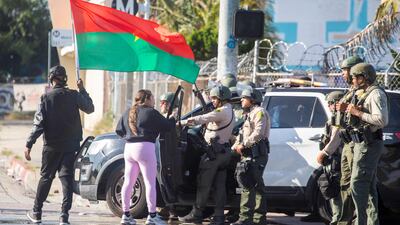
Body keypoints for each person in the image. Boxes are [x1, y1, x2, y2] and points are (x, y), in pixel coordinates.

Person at [25, 65, 94, 225]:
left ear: (51, 79)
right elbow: (90, 108)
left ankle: (36, 213)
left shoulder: (45, 98)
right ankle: (64, 216)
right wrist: (82, 89)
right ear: (64, 79)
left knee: (46, 178)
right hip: (71, 146)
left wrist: (29, 143)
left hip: (51, 147)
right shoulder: (75, 95)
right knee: (67, 180)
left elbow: (38, 124)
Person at [115, 89, 176, 225]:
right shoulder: (151, 112)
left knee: (128, 182)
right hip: (145, 148)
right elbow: (168, 126)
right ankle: (152, 216)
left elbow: (118, 130)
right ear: (147, 98)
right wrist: (173, 117)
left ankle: (125, 215)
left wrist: (129, 137)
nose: (154, 100)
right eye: (153, 97)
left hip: (129, 148)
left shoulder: (128, 112)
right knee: (149, 183)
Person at [316, 55, 363, 225]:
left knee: (355, 189)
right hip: (340, 157)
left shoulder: (364, 94)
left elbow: (339, 133)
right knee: (338, 189)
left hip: (350, 153)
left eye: (345, 71)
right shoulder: (350, 94)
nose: (331, 107)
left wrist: (326, 151)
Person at [179, 86, 235, 225]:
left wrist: (182, 122)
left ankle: (197, 214)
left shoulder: (222, 111)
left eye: (215, 98)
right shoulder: (230, 110)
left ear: (222, 98)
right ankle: (219, 216)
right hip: (223, 152)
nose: (213, 101)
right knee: (219, 185)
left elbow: (203, 118)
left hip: (213, 153)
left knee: (203, 184)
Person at [345, 63, 388, 225]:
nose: (353, 79)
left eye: (357, 77)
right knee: (368, 184)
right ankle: (370, 221)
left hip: (369, 143)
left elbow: (381, 120)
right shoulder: (363, 93)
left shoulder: (375, 94)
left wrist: (358, 113)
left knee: (357, 183)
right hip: (361, 143)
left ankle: (360, 221)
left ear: (366, 77)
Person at [231, 88, 270, 225]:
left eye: (244, 97)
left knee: (249, 185)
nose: (241, 100)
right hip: (248, 154)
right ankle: (257, 219)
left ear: (252, 99)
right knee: (254, 185)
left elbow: (258, 133)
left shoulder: (259, 112)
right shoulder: (248, 114)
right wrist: (234, 146)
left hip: (256, 154)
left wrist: (243, 144)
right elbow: (243, 134)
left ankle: (246, 219)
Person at [316, 91, 344, 225]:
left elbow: (335, 141)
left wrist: (324, 153)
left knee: (338, 192)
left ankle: (338, 220)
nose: (328, 106)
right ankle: (337, 219)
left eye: (331, 103)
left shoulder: (341, 119)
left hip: (340, 161)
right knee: (332, 190)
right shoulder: (332, 120)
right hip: (333, 161)